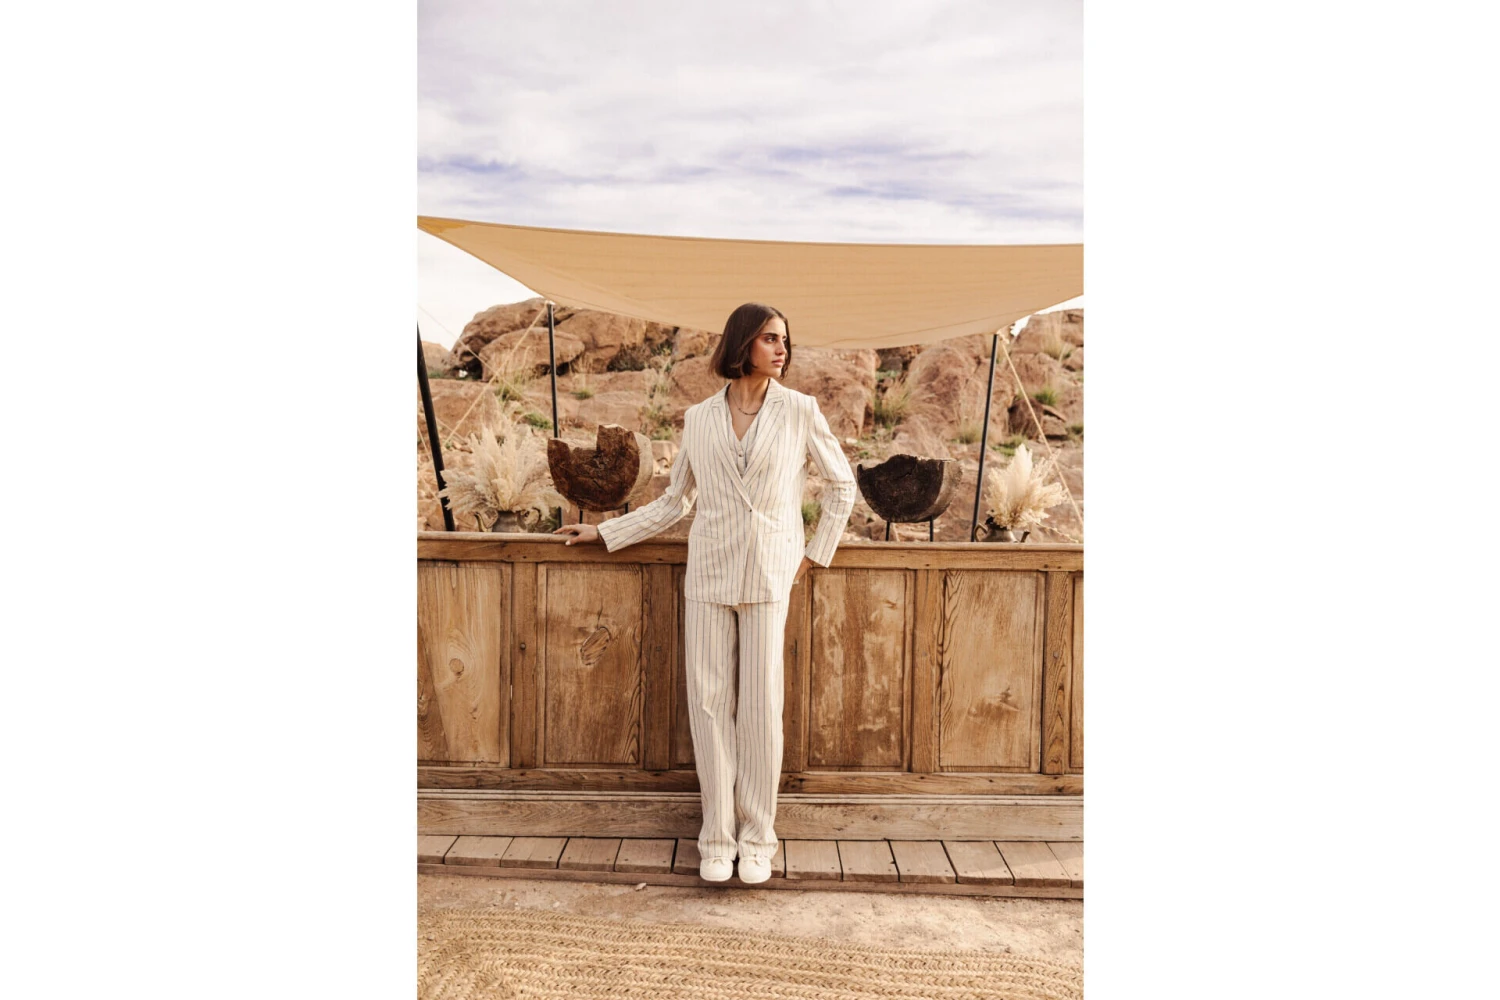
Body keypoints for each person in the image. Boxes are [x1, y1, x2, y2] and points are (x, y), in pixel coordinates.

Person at [553, 302, 857, 884]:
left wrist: (810, 556)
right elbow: (677, 501)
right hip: (710, 574)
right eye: (770, 339)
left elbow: (842, 488)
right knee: (710, 706)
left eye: (784, 340)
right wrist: (606, 532)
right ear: (742, 344)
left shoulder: (800, 410)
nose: (782, 349)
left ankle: (758, 839)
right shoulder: (699, 418)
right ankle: (716, 839)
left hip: (770, 575)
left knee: (761, 708)